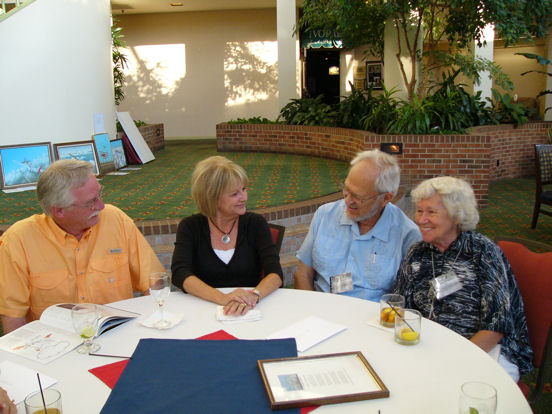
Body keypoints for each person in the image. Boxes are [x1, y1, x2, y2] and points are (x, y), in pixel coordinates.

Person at [0, 159, 165, 334]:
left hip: (117, 334)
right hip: (55, 346)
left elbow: (153, 282)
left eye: (100, 195)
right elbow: (13, 315)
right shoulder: (19, 240)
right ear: (59, 211)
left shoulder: (116, 220)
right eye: (91, 202)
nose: (101, 206)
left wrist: (156, 329)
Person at [394, 176, 533, 381]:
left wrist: (455, 361)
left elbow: (496, 327)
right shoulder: (418, 253)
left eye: (431, 212)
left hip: (484, 350)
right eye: (420, 210)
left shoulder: (482, 252)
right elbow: (401, 308)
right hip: (430, 346)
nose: (420, 219)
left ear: (457, 216)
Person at [294, 149, 421, 301]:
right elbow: (303, 273)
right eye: (347, 190)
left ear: (386, 198)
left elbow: (409, 297)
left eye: (358, 196)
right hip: (322, 310)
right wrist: (313, 310)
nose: (348, 200)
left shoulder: (407, 235)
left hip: (372, 319)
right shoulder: (325, 215)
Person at [171, 156, 283, 315]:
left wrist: (253, 297)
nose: (244, 197)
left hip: (250, 311)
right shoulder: (190, 227)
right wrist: (222, 298)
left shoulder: (256, 224)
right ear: (212, 197)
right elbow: (180, 274)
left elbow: (275, 273)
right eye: (234, 194)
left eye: (244, 189)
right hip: (203, 310)